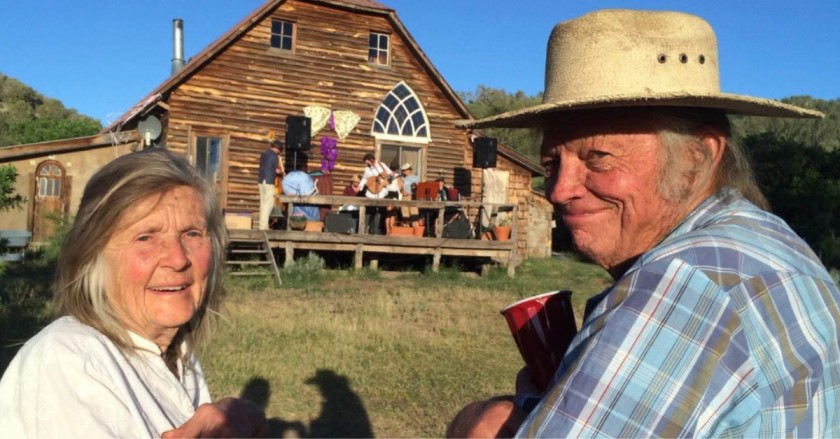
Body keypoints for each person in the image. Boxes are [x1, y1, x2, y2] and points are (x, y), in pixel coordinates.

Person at [449, 9, 838, 437]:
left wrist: (480, 425)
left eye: (597, 157)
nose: (558, 190)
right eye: (551, 162)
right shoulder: (775, 245)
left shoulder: (685, 284)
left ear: (697, 156)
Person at [0, 148, 267, 438]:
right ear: (92, 255)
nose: (178, 259)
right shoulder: (68, 362)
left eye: (191, 233)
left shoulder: (173, 349)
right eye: (145, 237)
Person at [359, 153, 396, 234]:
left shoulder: (381, 165)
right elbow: (364, 179)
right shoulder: (367, 169)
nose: (367, 164)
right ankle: (365, 230)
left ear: (372, 160)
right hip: (370, 193)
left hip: (381, 192)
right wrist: (360, 186)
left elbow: (391, 174)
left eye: (368, 162)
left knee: (378, 213)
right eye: (366, 163)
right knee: (369, 212)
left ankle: (375, 231)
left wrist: (386, 181)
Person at [258, 139, 285, 230]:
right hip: (269, 181)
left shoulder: (264, 154)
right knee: (268, 204)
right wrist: (281, 171)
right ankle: (263, 226)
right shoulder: (274, 156)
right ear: (278, 149)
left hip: (261, 181)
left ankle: (262, 224)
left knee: (263, 203)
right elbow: (276, 170)